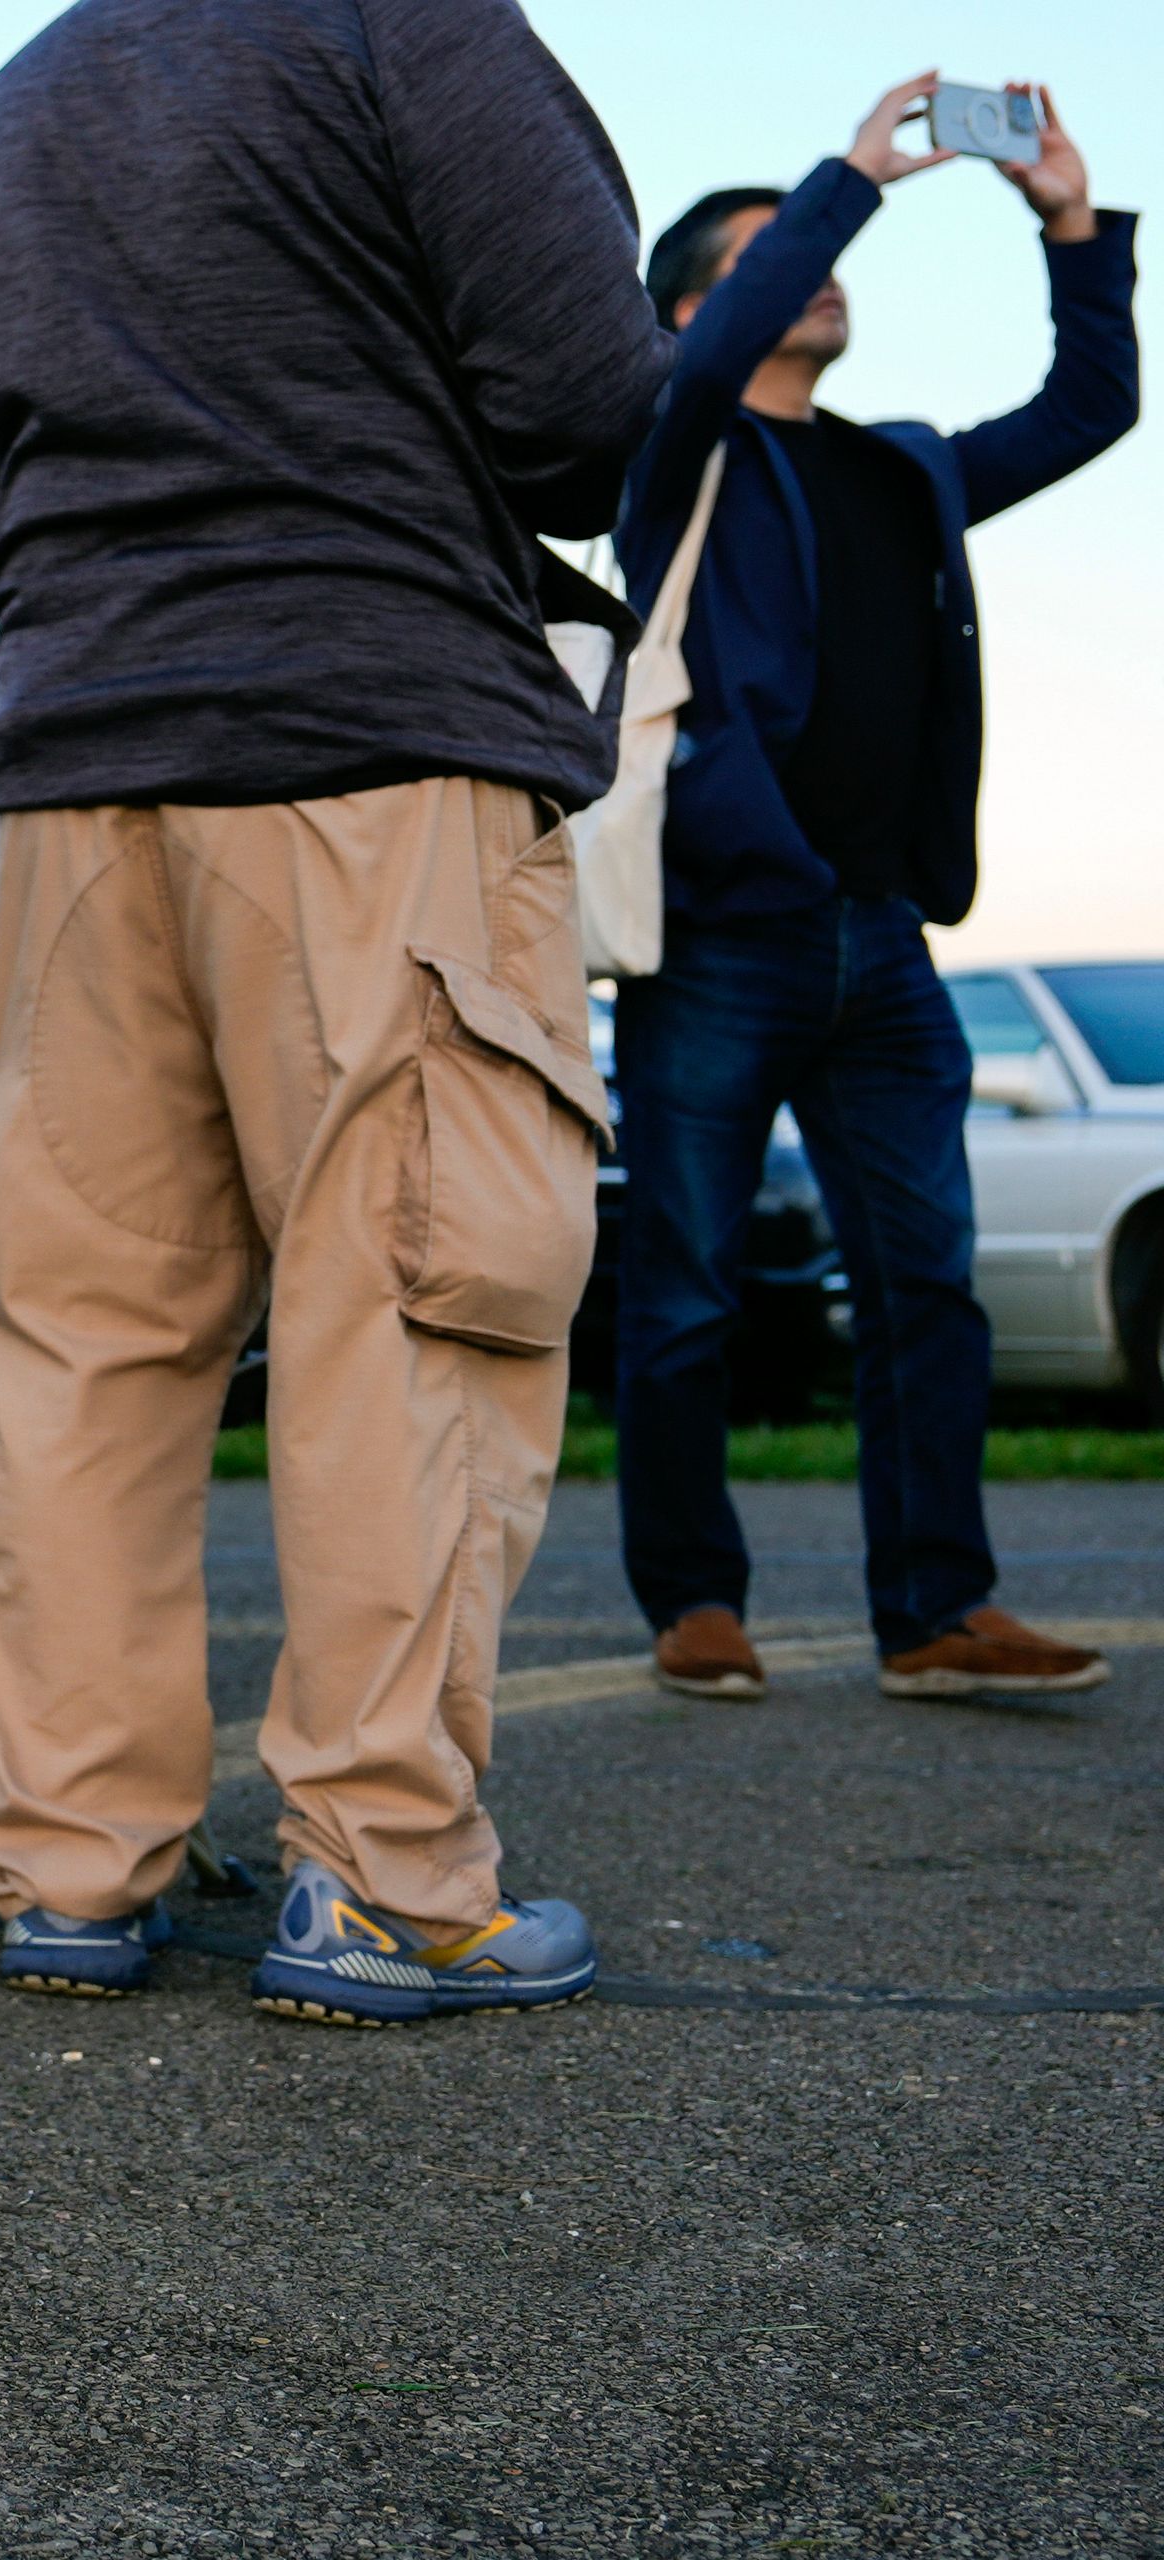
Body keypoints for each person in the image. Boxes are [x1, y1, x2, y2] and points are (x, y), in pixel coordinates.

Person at [0, 0, 670, 2025]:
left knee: (82, 1341)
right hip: (376, 743)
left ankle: (73, 1859)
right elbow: (596, 409)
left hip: (80, 793)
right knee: (411, 1305)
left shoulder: (19, 95)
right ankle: (389, 1875)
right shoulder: (409, 27)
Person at [615, 78, 1136, 1711]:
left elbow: (1087, 413)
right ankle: (696, 1599)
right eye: (772, 259)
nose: (822, 272)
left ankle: (936, 1610)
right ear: (702, 306)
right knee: (687, 1279)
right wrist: (850, 176)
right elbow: (706, 362)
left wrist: (1069, 226)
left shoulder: (903, 471)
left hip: (886, 942)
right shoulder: (674, 449)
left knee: (929, 1285)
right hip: (720, 934)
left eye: (822, 246)